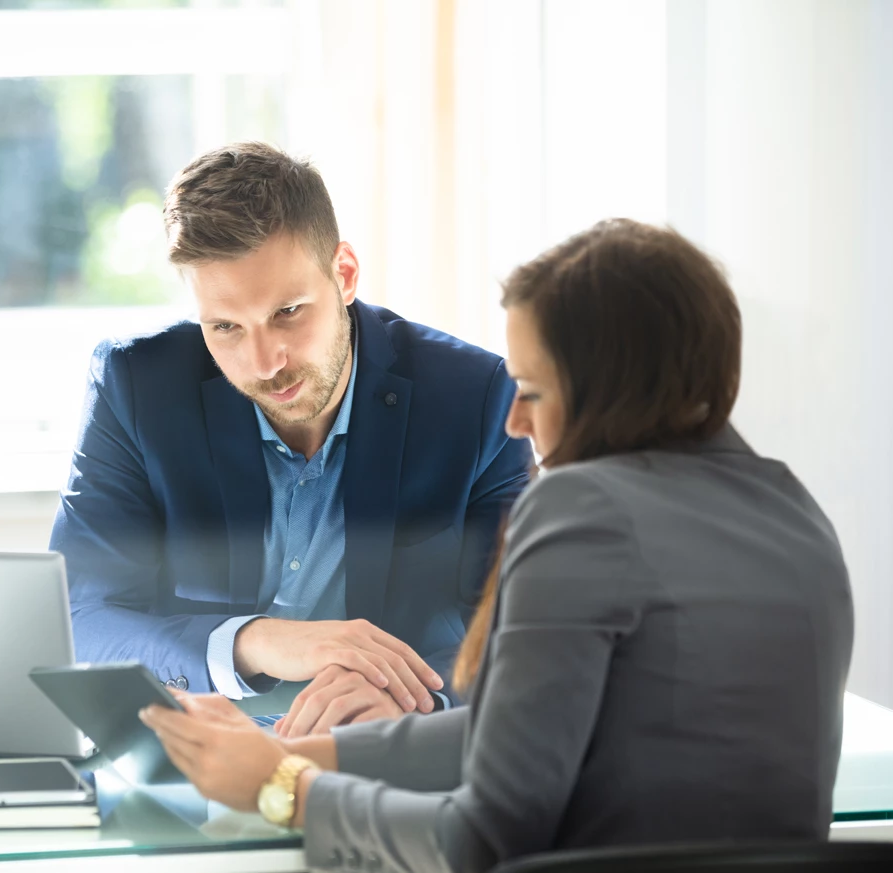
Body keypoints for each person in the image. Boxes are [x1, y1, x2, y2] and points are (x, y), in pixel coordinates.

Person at [140, 218, 855, 871]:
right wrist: (298, 751)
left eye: (533, 392)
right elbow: (513, 734)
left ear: (612, 391)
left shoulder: (581, 506)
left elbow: (482, 838)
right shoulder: (793, 513)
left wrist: (279, 785)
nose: (513, 422)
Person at [50, 142, 532, 730]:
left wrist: (419, 701)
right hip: (190, 759)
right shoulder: (136, 387)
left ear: (345, 274)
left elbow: (520, 628)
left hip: (382, 755)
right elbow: (81, 617)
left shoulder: (475, 397)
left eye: (288, 312)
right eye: (225, 326)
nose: (263, 362)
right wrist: (252, 643)